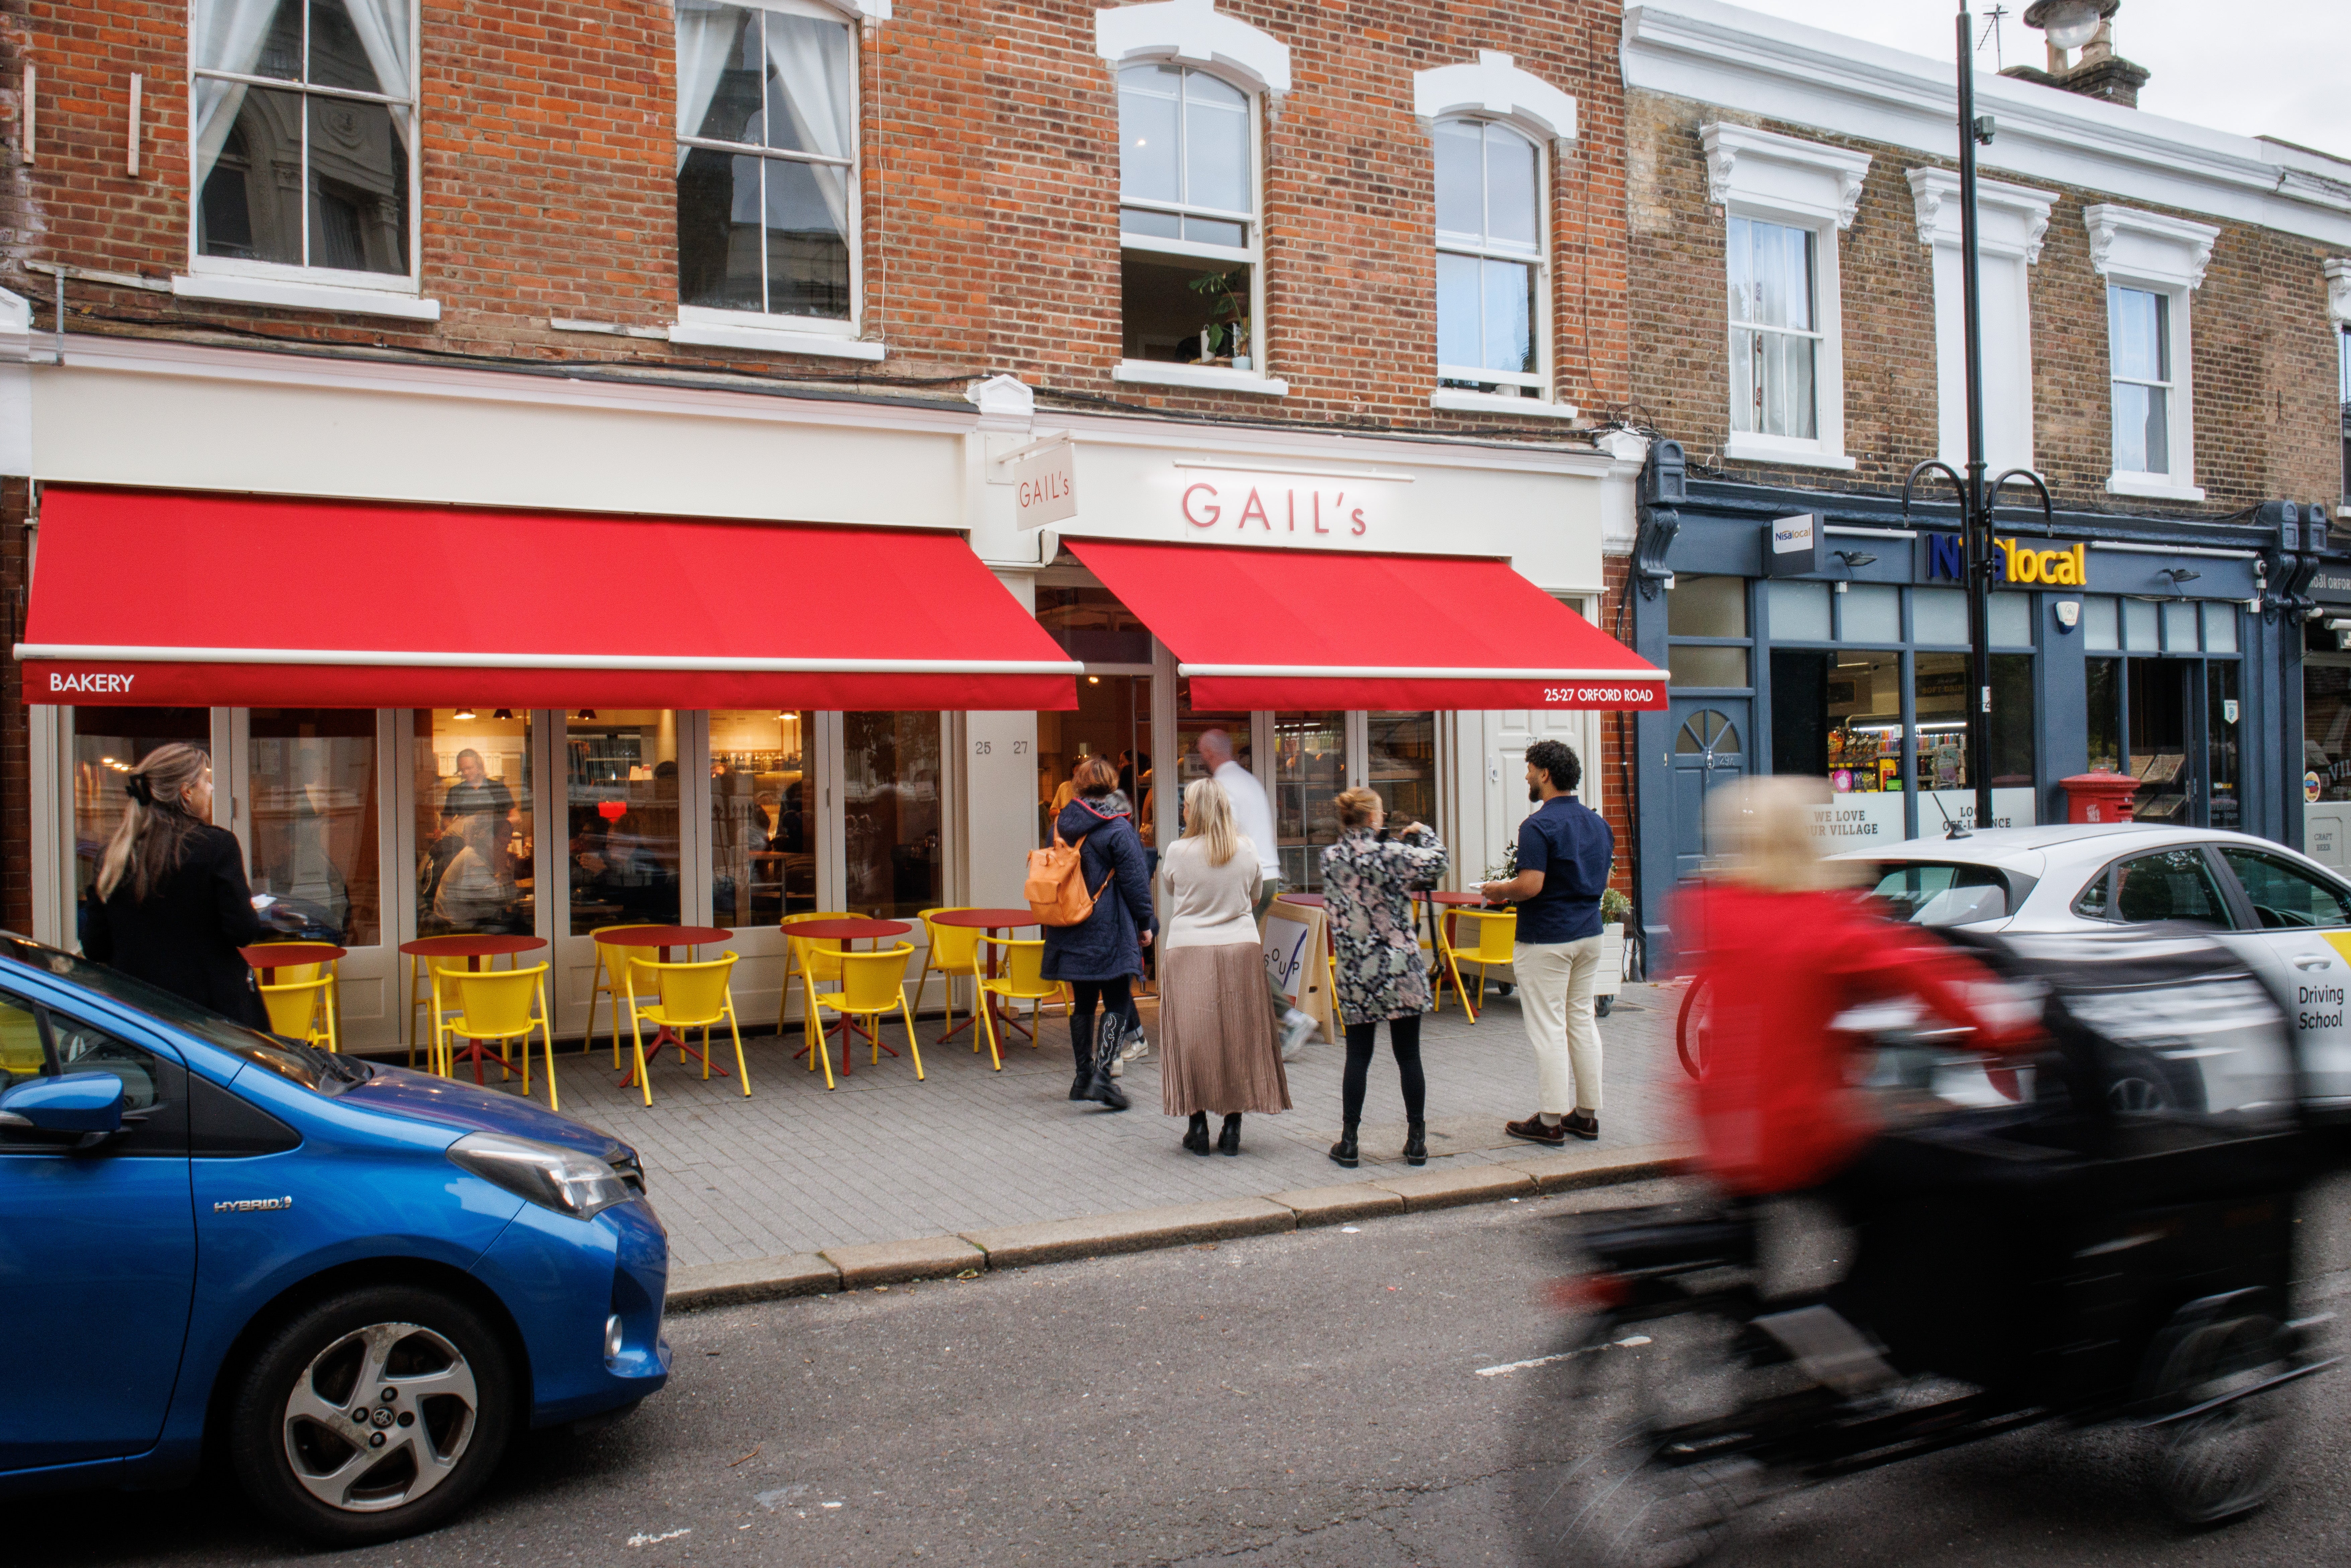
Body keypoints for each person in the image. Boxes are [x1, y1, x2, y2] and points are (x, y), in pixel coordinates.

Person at [81, 743, 272, 1029]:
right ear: (186, 792)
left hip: (137, 1017)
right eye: (206, 781)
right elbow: (243, 931)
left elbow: (95, 948)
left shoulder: (113, 857)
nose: (211, 789)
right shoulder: (216, 847)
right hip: (213, 1018)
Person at [1480, 738, 1612, 1146]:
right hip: (1590, 934)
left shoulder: (1536, 826)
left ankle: (1551, 1119)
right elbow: (1602, 880)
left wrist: (1499, 889)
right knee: (1582, 1021)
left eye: (1529, 768)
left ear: (1545, 774)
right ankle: (1587, 1116)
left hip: (1546, 938)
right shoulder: (1598, 823)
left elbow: (1531, 885)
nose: (1526, 775)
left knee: (1549, 1027)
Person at [1156, 778, 1289, 1155]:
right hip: (1239, 949)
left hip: (1188, 949)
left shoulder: (1178, 851)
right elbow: (1256, 895)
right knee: (1237, 1038)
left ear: (1193, 811)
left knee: (1194, 1039)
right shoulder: (1246, 850)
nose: (1182, 809)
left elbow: (1170, 888)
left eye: (1186, 805)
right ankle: (1232, 1127)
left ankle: (1197, 1124)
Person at [1320, 787, 1449, 1168]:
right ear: (1374, 818)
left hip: (1356, 972)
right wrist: (1423, 833)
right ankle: (1417, 1140)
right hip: (1399, 969)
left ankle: (1350, 1141)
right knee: (1408, 1055)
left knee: (1358, 1056)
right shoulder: (1392, 854)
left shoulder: (1330, 858)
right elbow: (1437, 863)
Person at [1042, 756, 1156, 1110]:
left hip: (1070, 923)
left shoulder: (1059, 826)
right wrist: (1146, 923)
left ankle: (1082, 1076)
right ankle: (1104, 1077)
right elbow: (1136, 882)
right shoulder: (1117, 827)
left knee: (1084, 1000)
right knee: (1118, 997)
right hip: (1109, 925)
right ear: (1111, 787)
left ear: (1077, 785)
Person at [1196, 728, 1315, 1059]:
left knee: (1236, 956)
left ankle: (1291, 1017)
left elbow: (1221, 839)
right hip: (1267, 874)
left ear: (1208, 755)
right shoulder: (1249, 782)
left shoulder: (1221, 788)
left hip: (1247, 879)